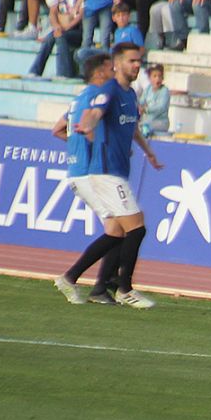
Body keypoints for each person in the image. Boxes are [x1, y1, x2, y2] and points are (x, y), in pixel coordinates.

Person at [68, 43, 165, 308]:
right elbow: (95, 112)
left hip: (118, 170)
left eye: (139, 61)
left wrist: (148, 152)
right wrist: (87, 125)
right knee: (136, 228)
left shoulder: (131, 94)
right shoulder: (108, 89)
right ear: (118, 63)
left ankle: (82, 280)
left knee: (117, 231)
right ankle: (124, 289)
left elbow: (132, 128)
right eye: (132, 61)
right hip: (106, 172)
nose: (137, 66)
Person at [52, 53, 124, 305]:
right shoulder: (96, 97)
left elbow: (57, 129)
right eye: (109, 67)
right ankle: (74, 279)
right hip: (89, 172)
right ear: (99, 72)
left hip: (78, 170)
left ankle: (104, 285)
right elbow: (89, 127)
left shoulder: (77, 99)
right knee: (118, 228)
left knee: (120, 227)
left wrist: (76, 146)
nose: (114, 70)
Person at [28, 0, 83, 78]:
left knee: (60, 37)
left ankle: (64, 73)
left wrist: (65, 28)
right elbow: (53, 12)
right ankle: (35, 71)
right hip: (61, 27)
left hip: (75, 29)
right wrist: (57, 26)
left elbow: (80, 15)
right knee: (50, 39)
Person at [140, 64, 170, 134]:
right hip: (148, 121)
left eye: (160, 76)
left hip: (161, 122)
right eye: (155, 76)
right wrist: (139, 107)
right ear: (149, 78)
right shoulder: (148, 89)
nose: (157, 79)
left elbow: (161, 107)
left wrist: (146, 109)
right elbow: (141, 101)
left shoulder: (164, 91)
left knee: (145, 128)